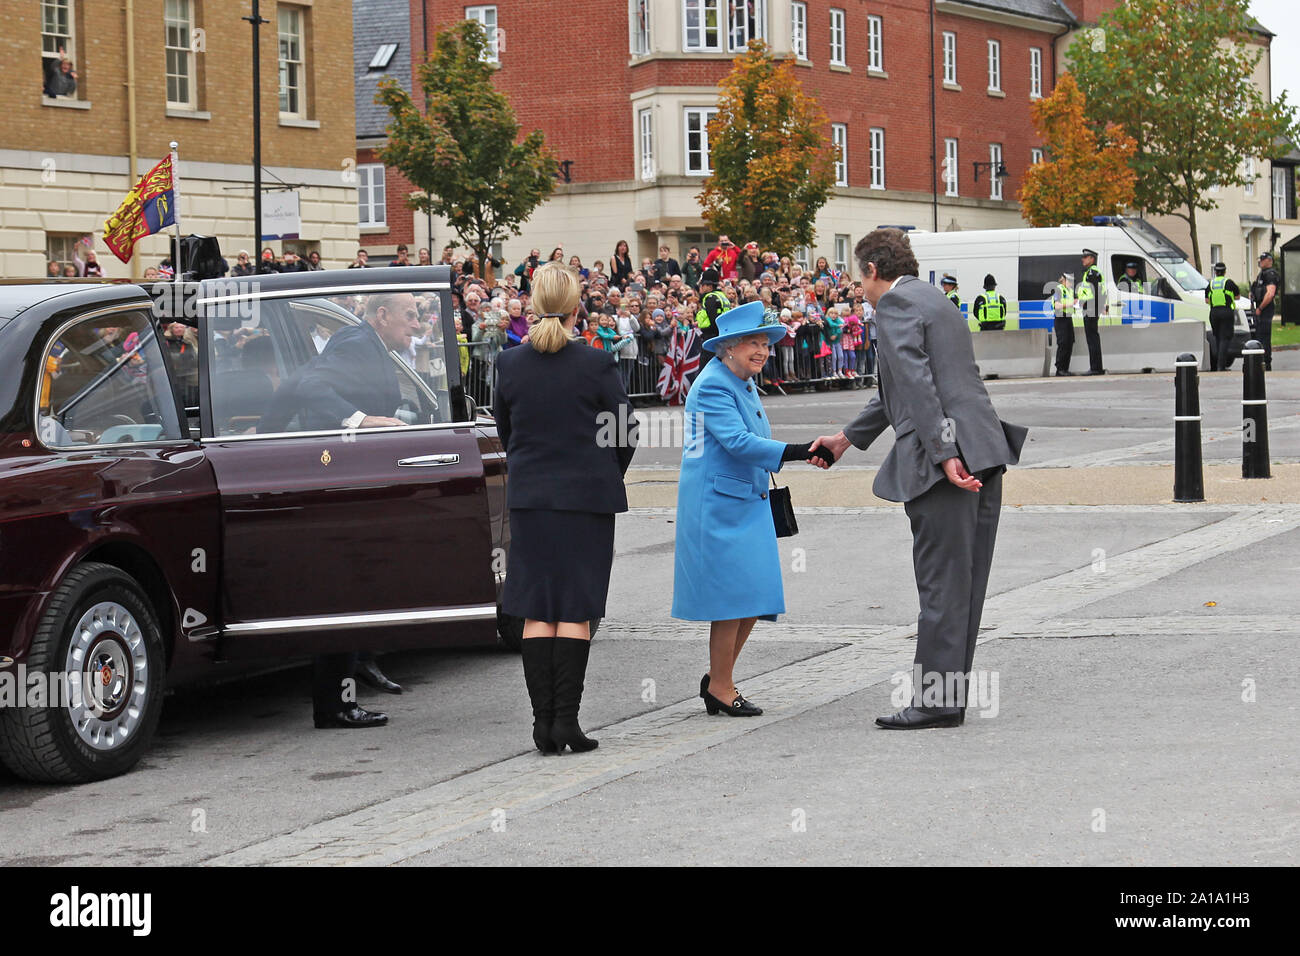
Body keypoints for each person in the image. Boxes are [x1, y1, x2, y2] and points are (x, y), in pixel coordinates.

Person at [811, 228, 1027, 729]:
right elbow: (908, 388)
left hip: (946, 460)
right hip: (985, 447)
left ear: (871, 270)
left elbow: (917, 383)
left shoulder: (894, 305)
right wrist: (846, 439)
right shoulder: (935, 298)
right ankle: (947, 697)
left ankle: (934, 701)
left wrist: (944, 452)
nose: (857, 288)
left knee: (941, 584)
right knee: (965, 583)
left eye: (856, 276)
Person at [493, 263, 637, 754]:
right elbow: (624, 432)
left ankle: (543, 727)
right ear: (579, 308)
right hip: (585, 498)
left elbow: (507, 433)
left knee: (537, 608)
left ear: (532, 306)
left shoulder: (509, 363)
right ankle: (566, 724)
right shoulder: (596, 363)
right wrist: (601, 471)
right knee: (575, 608)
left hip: (532, 497)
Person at [672, 301, 833, 717]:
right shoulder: (713, 385)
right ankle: (721, 686)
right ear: (727, 347)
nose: (762, 351)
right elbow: (740, 443)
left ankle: (718, 678)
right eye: (752, 344)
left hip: (744, 501)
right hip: (719, 506)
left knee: (755, 597)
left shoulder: (738, 380)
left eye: (765, 343)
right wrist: (800, 451)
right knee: (732, 601)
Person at [1204, 262, 1239, 372]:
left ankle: (1220, 364)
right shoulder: (1228, 283)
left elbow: (1206, 300)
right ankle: (1221, 366)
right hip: (1226, 312)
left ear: (1215, 272)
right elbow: (1237, 296)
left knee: (1218, 337)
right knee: (1225, 338)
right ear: (1224, 271)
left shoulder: (1210, 284)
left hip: (1214, 313)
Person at [1076, 247, 1106, 375]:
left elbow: (1097, 293)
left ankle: (1096, 368)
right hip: (1090, 308)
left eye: (1085, 257)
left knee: (1092, 339)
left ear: (1092, 259)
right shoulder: (1090, 272)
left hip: (1091, 308)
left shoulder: (1092, 273)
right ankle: (1096, 367)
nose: (1082, 259)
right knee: (1092, 338)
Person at [695, 267, 729, 365]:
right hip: (722, 335)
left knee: (707, 367)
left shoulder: (710, 298)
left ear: (709, 286)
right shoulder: (722, 296)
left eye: (703, 285)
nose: (701, 288)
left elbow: (714, 319)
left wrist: (706, 331)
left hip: (711, 337)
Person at [1251, 251, 1279, 371]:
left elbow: (1270, 293)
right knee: (1259, 336)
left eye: (1263, 259)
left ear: (1269, 260)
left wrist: (1260, 308)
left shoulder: (1270, 274)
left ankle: (1266, 363)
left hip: (1265, 309)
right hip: (1259, 308)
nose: (1260, 262)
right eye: (1260, 259)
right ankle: (1260, 361)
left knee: (1264, 337)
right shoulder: (1261, 274)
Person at [1052, 273, 1076, 376]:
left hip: (1068, 318)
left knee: (1070, 342)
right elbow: (1057, 305)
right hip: (1060, 318)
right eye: (1069, 281)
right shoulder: (1059, 289)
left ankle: (1065, 369)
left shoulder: (1070, 291)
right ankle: (1060, 369)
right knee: (1063, 343)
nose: (1071, 283)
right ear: (1064, 280)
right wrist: (1071, 304)